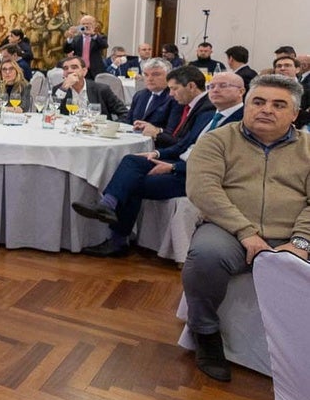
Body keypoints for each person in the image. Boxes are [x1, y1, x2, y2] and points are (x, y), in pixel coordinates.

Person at [181, 74, 310, 382]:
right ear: (246, 104)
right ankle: (205, 331)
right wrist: (245, 231)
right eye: (259, 101)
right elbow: (203, 190)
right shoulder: (217, 140)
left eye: (279, 105)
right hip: (228, 229)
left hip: (293, 232)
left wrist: (301, 241)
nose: (266, 109)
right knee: (206, 257)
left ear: (294, 114)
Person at [73, 72, 246, 258]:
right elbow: (183, 145)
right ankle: (107, 204)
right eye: (212, 86)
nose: (215, 90)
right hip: (182, 161)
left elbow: (226, 162)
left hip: (198, 176)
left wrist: (173, 167)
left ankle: (117, 239)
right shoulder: (209, 116)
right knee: (132, 161)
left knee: (133, 184)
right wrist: (155, 153)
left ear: (241, 91)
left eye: (223, 86)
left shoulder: (242, 122)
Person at [134, 65, 214, 149]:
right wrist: (157, 130)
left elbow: (185, 145)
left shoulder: (206, 110)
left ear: (191, 86)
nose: (171, 94)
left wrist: (157, 135)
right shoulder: (192, 105)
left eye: (174, 89)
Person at [52, 56, 128, 120]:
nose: (69, 71)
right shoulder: (59, 89)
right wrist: (64, 87)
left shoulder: (101, 89)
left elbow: (125, 113)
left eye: (74, 67)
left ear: (84, 71)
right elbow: (52, 112)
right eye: (65, 68)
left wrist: (111, 128)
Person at [126, 58, 177, 127]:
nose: (149, 79)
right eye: (146, 75)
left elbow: (172, 130)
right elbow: (128, 122)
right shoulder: (139, 95)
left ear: (169, 76)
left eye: (156, 74)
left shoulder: (174, 98)